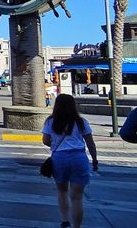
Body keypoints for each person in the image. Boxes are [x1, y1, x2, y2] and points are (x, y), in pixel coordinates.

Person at [42, 94, 98, 228]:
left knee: (62, 190)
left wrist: (56, 146)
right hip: (78, 157)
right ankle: (76, 226)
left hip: (59, 158)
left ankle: (64, 220)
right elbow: (91, 143)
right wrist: (95, 160)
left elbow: (45, 140)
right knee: (77, 197)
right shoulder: (81, 122)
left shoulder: (51, 121)